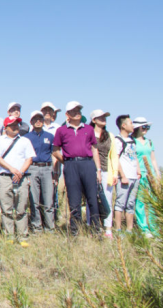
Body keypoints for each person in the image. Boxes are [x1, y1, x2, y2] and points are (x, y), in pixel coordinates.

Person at [52, 101, 102, 236]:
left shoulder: (88, 129)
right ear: (67, 114)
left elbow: (94, 149)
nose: (77, 112)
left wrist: (98, 170)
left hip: (87, 164)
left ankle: (96, 231)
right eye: (74, 110)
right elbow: (55, 150)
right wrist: (67, 162)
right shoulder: (61, 130)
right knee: (74, 201)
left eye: (79, 109)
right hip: (71, 165)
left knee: (92, 199)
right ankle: (75, 232)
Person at [0, 117, 35, 246]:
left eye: (17, 125)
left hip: (21, 177)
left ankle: (22, 236)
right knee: (6, 208)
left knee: (22, 207)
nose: (15, 127)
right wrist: (12, 169)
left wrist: (20, 172)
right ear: (5, 127)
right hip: (4, 176)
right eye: (11, 125)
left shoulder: (25, 141)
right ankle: (9, 234)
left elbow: (29, 159)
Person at [25, 110, 57, 233]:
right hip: (32, 168)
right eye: (35, 119)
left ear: (43, 121)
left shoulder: (49, 136)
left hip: (47, 168)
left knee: (49, 200)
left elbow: (54, 153)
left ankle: (50, 227)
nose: (38, 121)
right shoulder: (26, 138)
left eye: (40, 119)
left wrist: (55, 172)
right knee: (34, 200)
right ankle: (36, 227)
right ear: (31, 121)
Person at [112, 114, 140, 236]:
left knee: (130, 204)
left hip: (134, 176)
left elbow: (135, 157)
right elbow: (116, 159)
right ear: (123, 125)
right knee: (120, 203)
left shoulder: (132, 140)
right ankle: (118, 229)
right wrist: (122, 175)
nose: (133, 125)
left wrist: (138, 171)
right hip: (125, 177)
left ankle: (130, 229)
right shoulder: (118, 140)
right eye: (130, 123)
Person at [132, 117, 160, 238]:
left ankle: (155, 228)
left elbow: (153, 159)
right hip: (139, 174)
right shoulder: (132, 141)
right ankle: (144, 229)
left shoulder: (149, 142)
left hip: (150, 174)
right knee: (140, 202)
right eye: (144, 127)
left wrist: (157, 173)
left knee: (153, 201)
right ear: (137, 128)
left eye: (147, 127)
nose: (146, 129)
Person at [89, 109, 115, 235]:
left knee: (107, 199)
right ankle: (92, 225)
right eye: (100, 117)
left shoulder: (110, 135)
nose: (103, 119)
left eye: (104, 117)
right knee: (91, 199)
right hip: (90, 171)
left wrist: (115, 173)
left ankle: (108, 228)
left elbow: (114, 156)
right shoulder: (88, 134)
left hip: (106, 171)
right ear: (94, 120)